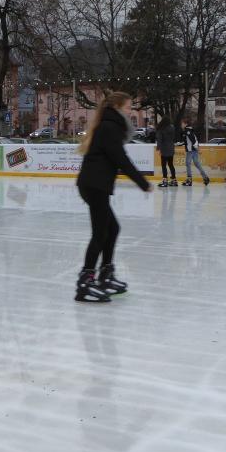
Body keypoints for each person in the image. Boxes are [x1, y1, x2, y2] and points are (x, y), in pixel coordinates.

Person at [75, 92, 152, 303]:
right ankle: (85, 282)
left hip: (95, 184)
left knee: (112, 229)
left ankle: (105, 275)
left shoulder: (110, 126)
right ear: (118, 108)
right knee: (100, 233)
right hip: (94, 185)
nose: (131, 111)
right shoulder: (109, 127)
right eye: (128, 107)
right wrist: (142, 182)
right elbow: (121, 159)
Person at [180, 116, 209, 186]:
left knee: (188, 164)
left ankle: (189, 180)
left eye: (182, 123)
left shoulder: (188, 131)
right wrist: (180, 143)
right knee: (197, 164)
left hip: (191, 150)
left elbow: (193, 140)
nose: (181, 125)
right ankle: (205, 177)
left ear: (185, 124)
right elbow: (188, 141)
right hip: (193, 149)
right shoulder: (188, 130)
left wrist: (198, 148)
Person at [155, 117, 177, 187]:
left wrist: (158, 148)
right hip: (171, 147)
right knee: (171, 164)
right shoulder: (172, 128)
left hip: (164, 148)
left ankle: (165, 181)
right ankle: (174, 180)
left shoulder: (161, 128)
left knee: (164, 165)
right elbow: (173, 137)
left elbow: (159, 139)